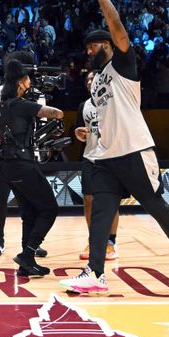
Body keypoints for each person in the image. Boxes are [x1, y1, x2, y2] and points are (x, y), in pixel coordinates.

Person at [60, 0, 169, 296]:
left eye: (93, 47)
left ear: (108, 45)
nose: (88, 52)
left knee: (155, 205)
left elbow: (117, 25)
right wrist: (88, 133)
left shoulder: (123, 64)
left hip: (134, 150)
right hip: (105, 156)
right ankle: (95, 272)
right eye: (87, 49)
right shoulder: (96, 81)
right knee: (100, 213)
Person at [0, 60, 65, 277]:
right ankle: (28, 253)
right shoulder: (21, 105)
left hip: (6, 166)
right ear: (21, 82)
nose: (30, 82)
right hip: (23, 164)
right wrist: (38, 105)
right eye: (28, 80)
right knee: (49, 209)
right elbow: (57, 113)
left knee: (29, 213)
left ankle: (26, 264)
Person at [0, 49, 46, 258]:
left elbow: (43, 121)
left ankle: (32, 242)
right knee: (0, 198)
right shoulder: (0, 91)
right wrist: (10, 125)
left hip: (28, 152)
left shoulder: (36, 93)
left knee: (30, 201)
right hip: (6, 151)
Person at [73, 72, 120, 262]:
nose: (90, 82)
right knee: (88, 199)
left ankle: (110, 243)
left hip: (111, 157)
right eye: (87, 80)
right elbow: (79, 132)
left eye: (94, 79)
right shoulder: (83, 106)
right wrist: (78, 133)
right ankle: (94, 240)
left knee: (111, 201)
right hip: (90, 157)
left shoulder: (113, 103)